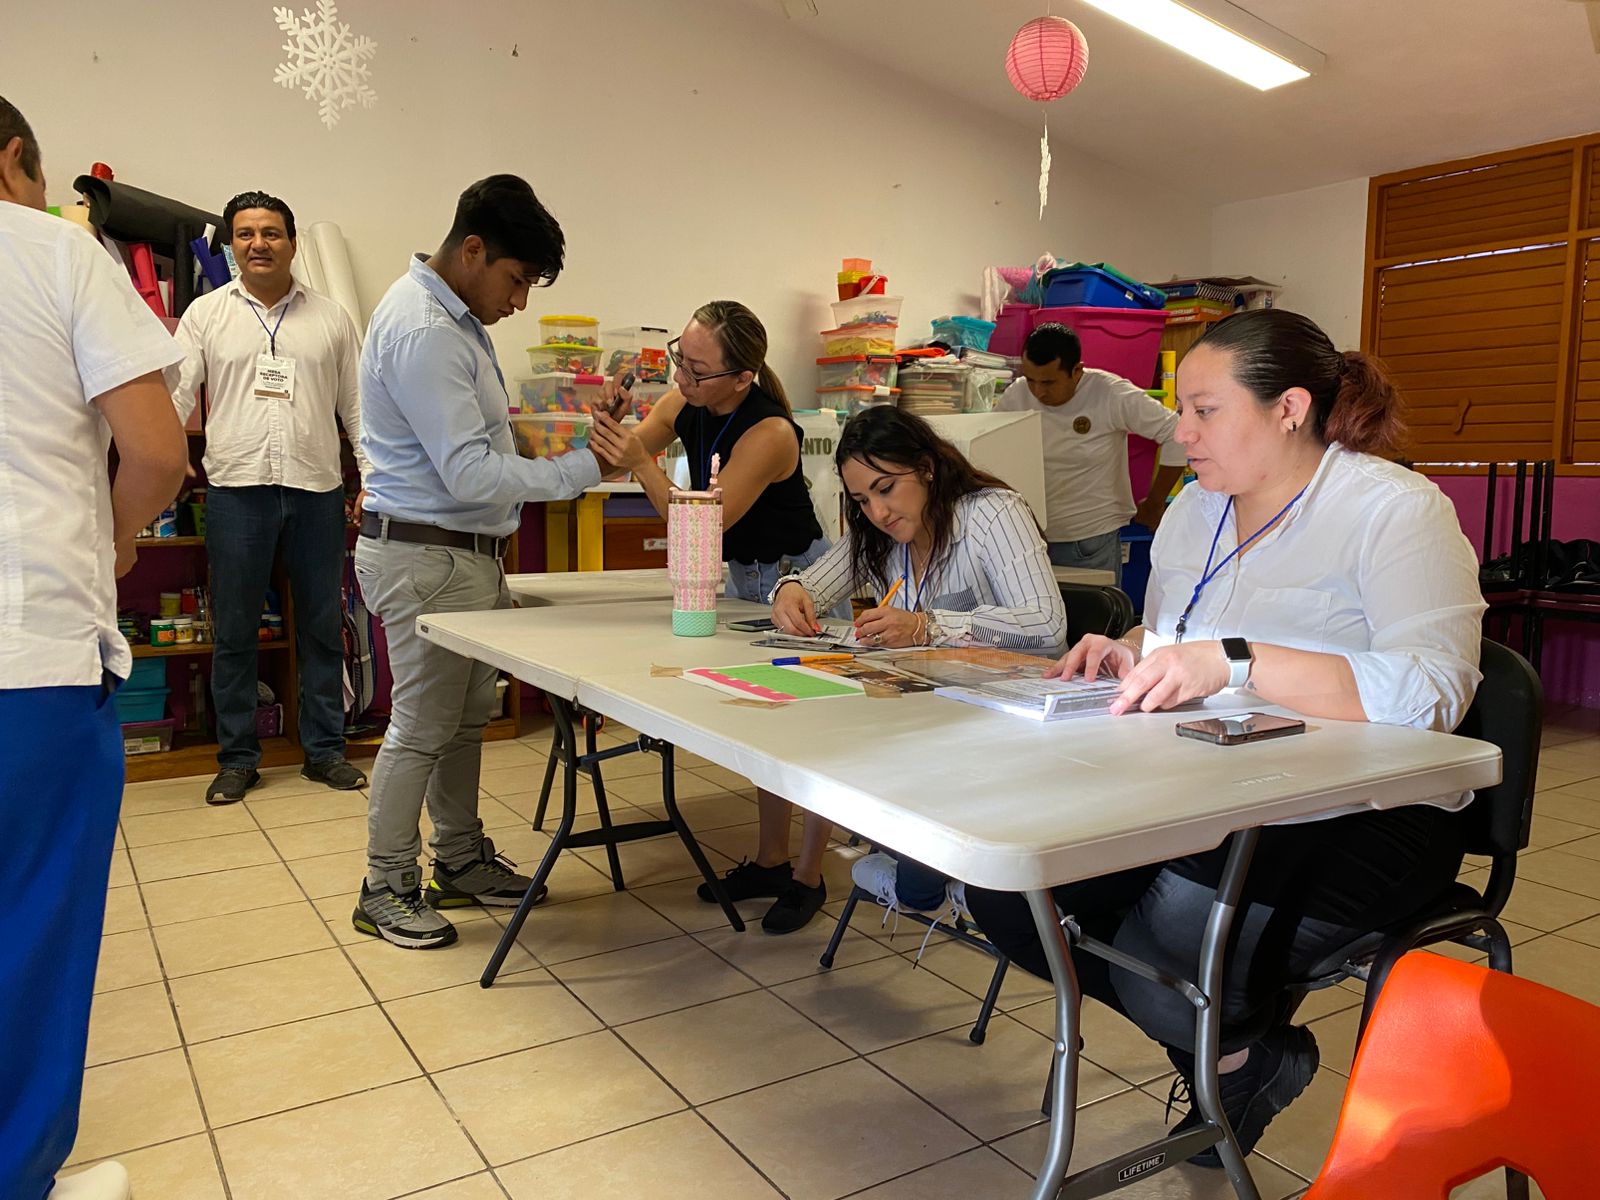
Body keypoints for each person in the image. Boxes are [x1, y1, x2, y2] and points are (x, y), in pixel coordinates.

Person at [965, 308, 1486, 1164]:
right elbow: (1181, 635)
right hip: (1208, 782)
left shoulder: (1392, 508)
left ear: (1288, 408)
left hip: (1370, 808)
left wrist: (1235, 661)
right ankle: (1243, 1054)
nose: (1180, 433)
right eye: (1181, 409)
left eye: (1205, 410)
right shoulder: (1194, 511)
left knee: (1172, 932)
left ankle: (1224, 1042)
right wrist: (1130, 649)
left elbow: (1435, 693)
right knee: (1009, 888)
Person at [0, 96, 190, 1200]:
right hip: (26, 656)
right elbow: (157, 452)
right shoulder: (57, 254)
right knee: (27, 921)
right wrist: (118, 536)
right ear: (16, 161)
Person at [353, 175, 622, 950]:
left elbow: (479, 452)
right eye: (516, 280)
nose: (521, 302)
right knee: (421, 726)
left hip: (458, 553)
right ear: (472, 251)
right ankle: (385, 885)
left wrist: (568, 446)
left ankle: (460, 861)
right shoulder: (426, 329)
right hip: (425, 555)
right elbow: (469, 474)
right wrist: (579, 472)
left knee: (463, 719)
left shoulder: (456, 318)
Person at [689, 405, 1066, 934]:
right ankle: (913, 878)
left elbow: (1046, 624)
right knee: (798, 724)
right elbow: (815, 580)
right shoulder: (881, 532)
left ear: (928, 468)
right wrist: (790, 591)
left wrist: (927, 626)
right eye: (863, 499)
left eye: (887, 488)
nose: (879, 511)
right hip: (925, 714)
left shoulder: (992, 513)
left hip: (1000, 724)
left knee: (858, 760)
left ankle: (928, 886)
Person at [172, 190, 371, 805]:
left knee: (318, 626)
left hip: (316, 490)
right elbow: (177, 397)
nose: (259, 243)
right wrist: (162, 458)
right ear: (232, 243)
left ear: (290, 242)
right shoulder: (205, 315)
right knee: (232, 630)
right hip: (236, 491)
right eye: (246, 233)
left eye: (271, 233)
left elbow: (357, 408)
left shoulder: (332, 318)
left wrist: (371, 475)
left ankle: (325, 752)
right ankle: (237, 759)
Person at [586, 299, 839, 607]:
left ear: (742, 378)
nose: (679, 378)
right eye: (679, 360)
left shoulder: (770, 433)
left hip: (800, 580)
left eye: (696, 371)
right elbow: (603, 468)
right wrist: (606, 425)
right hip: (743, 575)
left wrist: (640, 462)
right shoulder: (679, 405)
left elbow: (698, 530)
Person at [994, 323, 1189, 582]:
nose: (1039, 391)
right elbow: (991, 445)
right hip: (1031, 537)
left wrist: (1155, 502)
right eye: (1031, 380)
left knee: (1095, 620)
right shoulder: (1017, 394)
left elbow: (1176, 433)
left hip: (1090, 540)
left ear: (1077, 371)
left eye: (1049, 382)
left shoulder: (1109, 392)